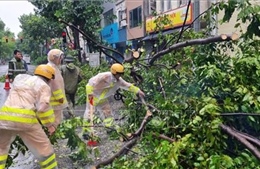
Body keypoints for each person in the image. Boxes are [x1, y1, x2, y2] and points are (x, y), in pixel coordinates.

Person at [0, 64, 58, 169]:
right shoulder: (44, 86)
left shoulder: (21, 79)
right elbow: (43, 109)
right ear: (49, 77)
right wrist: (50, 125)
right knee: (45, 149)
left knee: (1, 147)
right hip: (25, 119)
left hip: (4, 118)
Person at [83, 63, 145, 137]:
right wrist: (91, 95)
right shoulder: (104, 76)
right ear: (114, 72)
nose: (120, 76)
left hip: (102, 97)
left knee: (107, 112)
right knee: (90, 112)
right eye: (118, 74)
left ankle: (109, 129)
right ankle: (86, 131)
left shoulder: (119, 80)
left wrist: (138, 91)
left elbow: (127, 86)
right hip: (92, 95)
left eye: (121, 74)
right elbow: (90, 84)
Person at [47, 49, 68, 128]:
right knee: (55, 121)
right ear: (54, 58)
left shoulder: (54, 67)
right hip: (54, 101)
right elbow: (54, 84)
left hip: (54, 100)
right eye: (60, 57)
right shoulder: (52, 69)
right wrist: (59, 97)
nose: (61, 60)